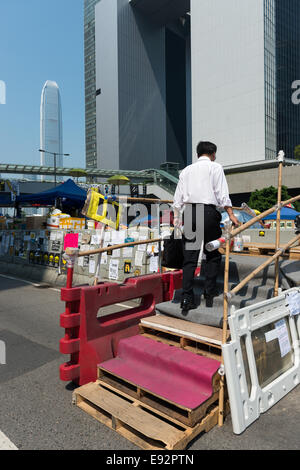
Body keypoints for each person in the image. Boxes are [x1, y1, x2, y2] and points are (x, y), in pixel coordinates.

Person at [173, 141, 240, 312]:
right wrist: (231, 214)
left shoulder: (186, 170)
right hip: (208, 213)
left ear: (198, 154)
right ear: (212, 153)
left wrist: (177, 217)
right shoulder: (215, 167)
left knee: (189, 258)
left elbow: (177, 198)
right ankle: (209, 291)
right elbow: (222, 194)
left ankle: (186, 298)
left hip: (189, 214)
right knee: (212, 253)